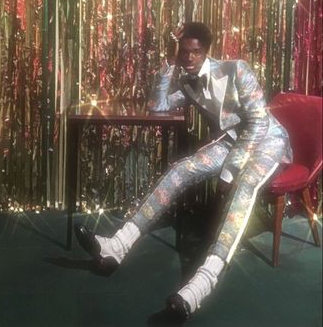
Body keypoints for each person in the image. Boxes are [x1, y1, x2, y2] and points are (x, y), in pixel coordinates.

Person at [74, 22, 292, 323]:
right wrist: (166, 64)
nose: (189, 58)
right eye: (184, 52)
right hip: (230, 141)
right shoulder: (188, 82)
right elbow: (158, 106)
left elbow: (256, 123)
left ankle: (202, 284)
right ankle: (116, 246)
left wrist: (228, 172)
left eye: (196, 52)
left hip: (266, 139)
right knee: (178, 172)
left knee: (244, 187)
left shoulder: (236, 70)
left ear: (206, 52)